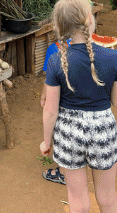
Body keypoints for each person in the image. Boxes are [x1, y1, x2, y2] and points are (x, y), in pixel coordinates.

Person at [40, 0, 117, 213]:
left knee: (77, 201)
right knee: (107, 198)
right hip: (103, 130)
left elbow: (50, 110)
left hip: (68, 132)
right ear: (89, 19)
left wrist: (45, 141)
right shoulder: (114, 57)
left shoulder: (55, 60)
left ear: (60, 26)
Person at [40, 38, 70, 185]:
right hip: (80, 102)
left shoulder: (53, 49)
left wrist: (43, 96)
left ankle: (63, 173)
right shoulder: (89, 46)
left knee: (61, 133)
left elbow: (48, 80)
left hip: (60, 100)